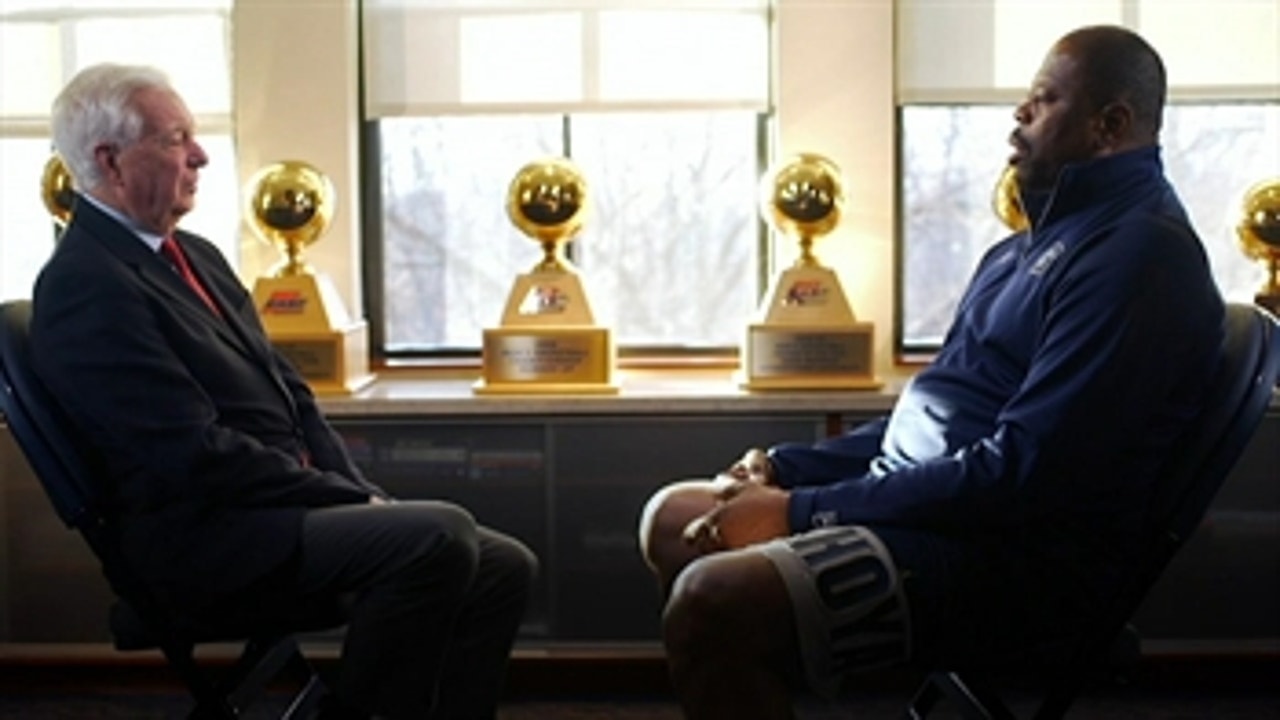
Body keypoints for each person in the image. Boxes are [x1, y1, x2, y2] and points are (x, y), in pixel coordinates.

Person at [638, 25, 1226, 719]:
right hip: (944, 515)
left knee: (714, 600)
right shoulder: (1019, 253)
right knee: (673, 516)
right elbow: (932, 418)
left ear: (1111, 125)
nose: (1018, 115)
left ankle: (743, 643)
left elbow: (1027, 474)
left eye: (1043, 100)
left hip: (1012, 559)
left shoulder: (1140, 257)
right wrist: (784, 469)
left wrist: (800, 512)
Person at [30, 63, 537, 720]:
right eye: (176, 138)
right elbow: (190, 455)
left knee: (505, 565)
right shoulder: (84, 283)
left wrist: (357, 491)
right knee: (435, 538)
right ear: (111, 161)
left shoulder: (196, 254)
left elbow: (291, 397)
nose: (200, 155)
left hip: (273, 513)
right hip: (204, 542)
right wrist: (350, 498)